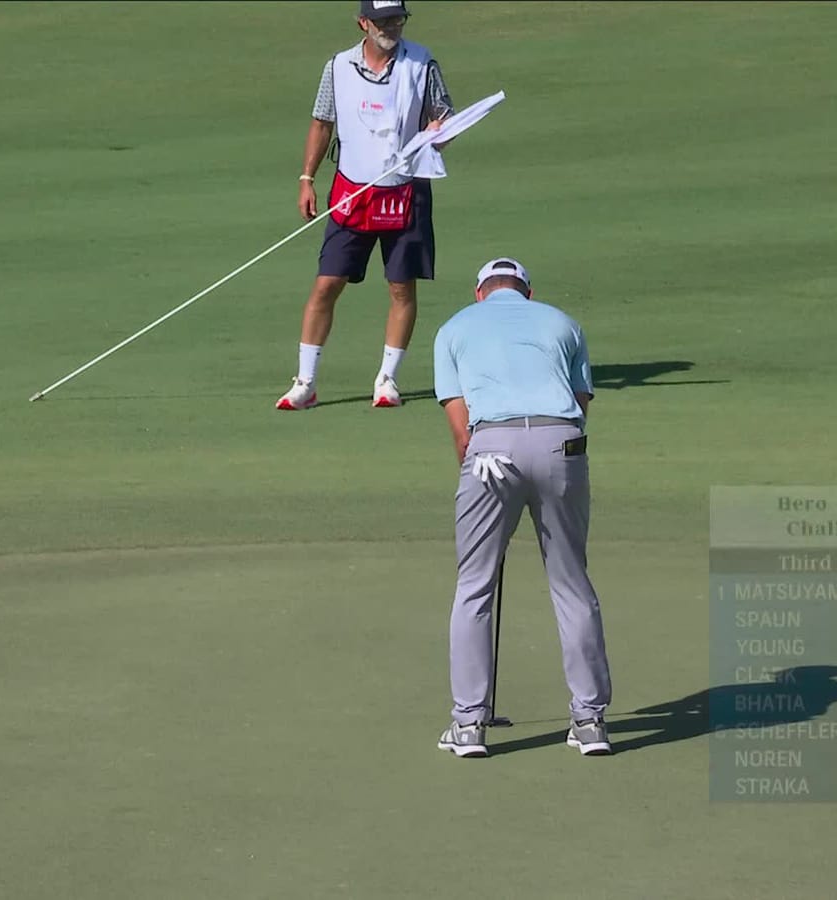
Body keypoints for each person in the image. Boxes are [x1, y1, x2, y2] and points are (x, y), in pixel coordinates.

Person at [430, 257, 614, 758]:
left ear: (479, 293)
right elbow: (581, 399)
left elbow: (458, 419)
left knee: (474, 585)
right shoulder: (563, 322)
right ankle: (590, 722)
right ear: (528, 293)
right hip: (563, 446)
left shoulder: (453, 328)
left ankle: (469, 726)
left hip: (490, 450)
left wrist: (472, 476)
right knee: (571, 579)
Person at [275, 0, 455, 411]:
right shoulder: (337, 67)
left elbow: (444, 116)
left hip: (405, 189)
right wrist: (307, 178)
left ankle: (387, 379)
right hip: (352, 190)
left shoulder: (421, 63)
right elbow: (322, 122)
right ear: (363, 23)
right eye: (382, 20)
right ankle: (306, 381)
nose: (391, 26)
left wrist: (438, 131)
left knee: (400, 286)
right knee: (327, 284)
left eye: (397, 18)